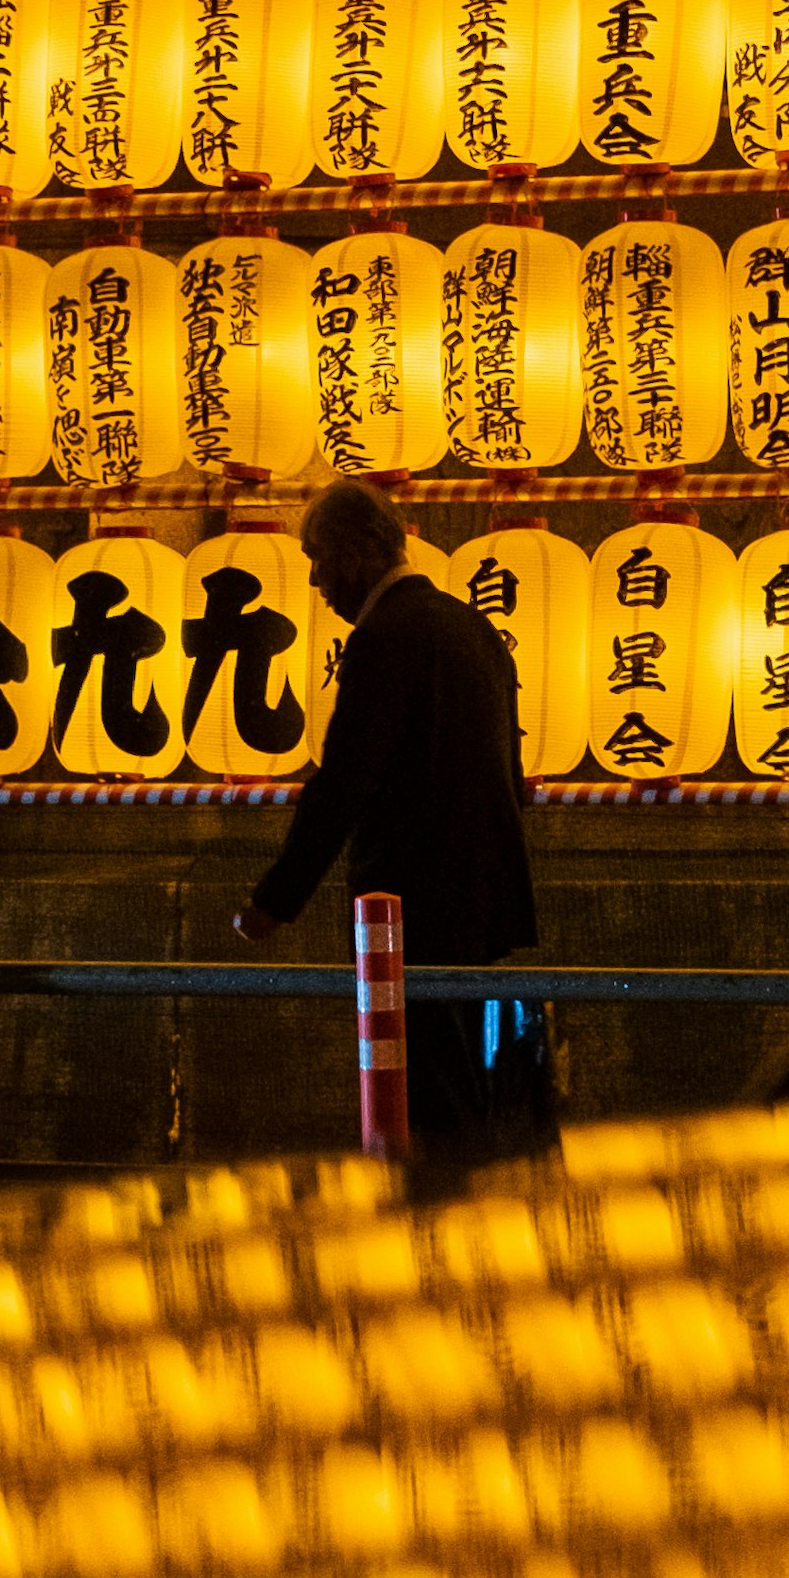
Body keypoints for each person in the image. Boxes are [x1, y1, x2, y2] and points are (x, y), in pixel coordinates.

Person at [233, 482, 546, 1150]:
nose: (316, 579)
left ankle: (436, 1224)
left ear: (355, 553)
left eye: (319, 559)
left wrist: (274, 902)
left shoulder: (384, 639)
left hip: (416, 906)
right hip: (486, 901)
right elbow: (509, 771)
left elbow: (345, 782)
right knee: (480, 1082)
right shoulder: (470, 625)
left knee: (428, 1091)